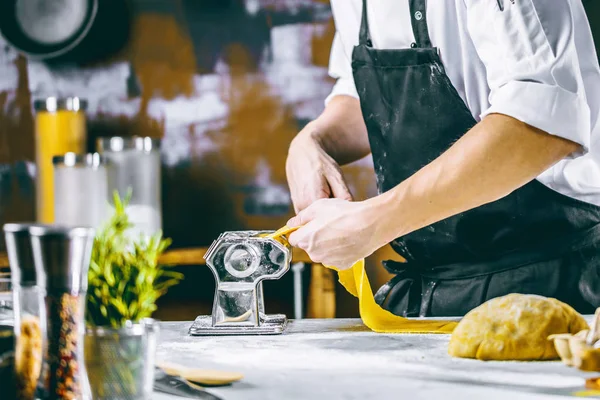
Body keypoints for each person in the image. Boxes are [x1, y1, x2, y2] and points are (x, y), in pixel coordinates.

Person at [285, 0, 600, 317]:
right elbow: (362, 94)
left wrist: (375, 221)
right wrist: (313, 140)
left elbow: (539, 126)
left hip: (554, 283)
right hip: (434, 290)